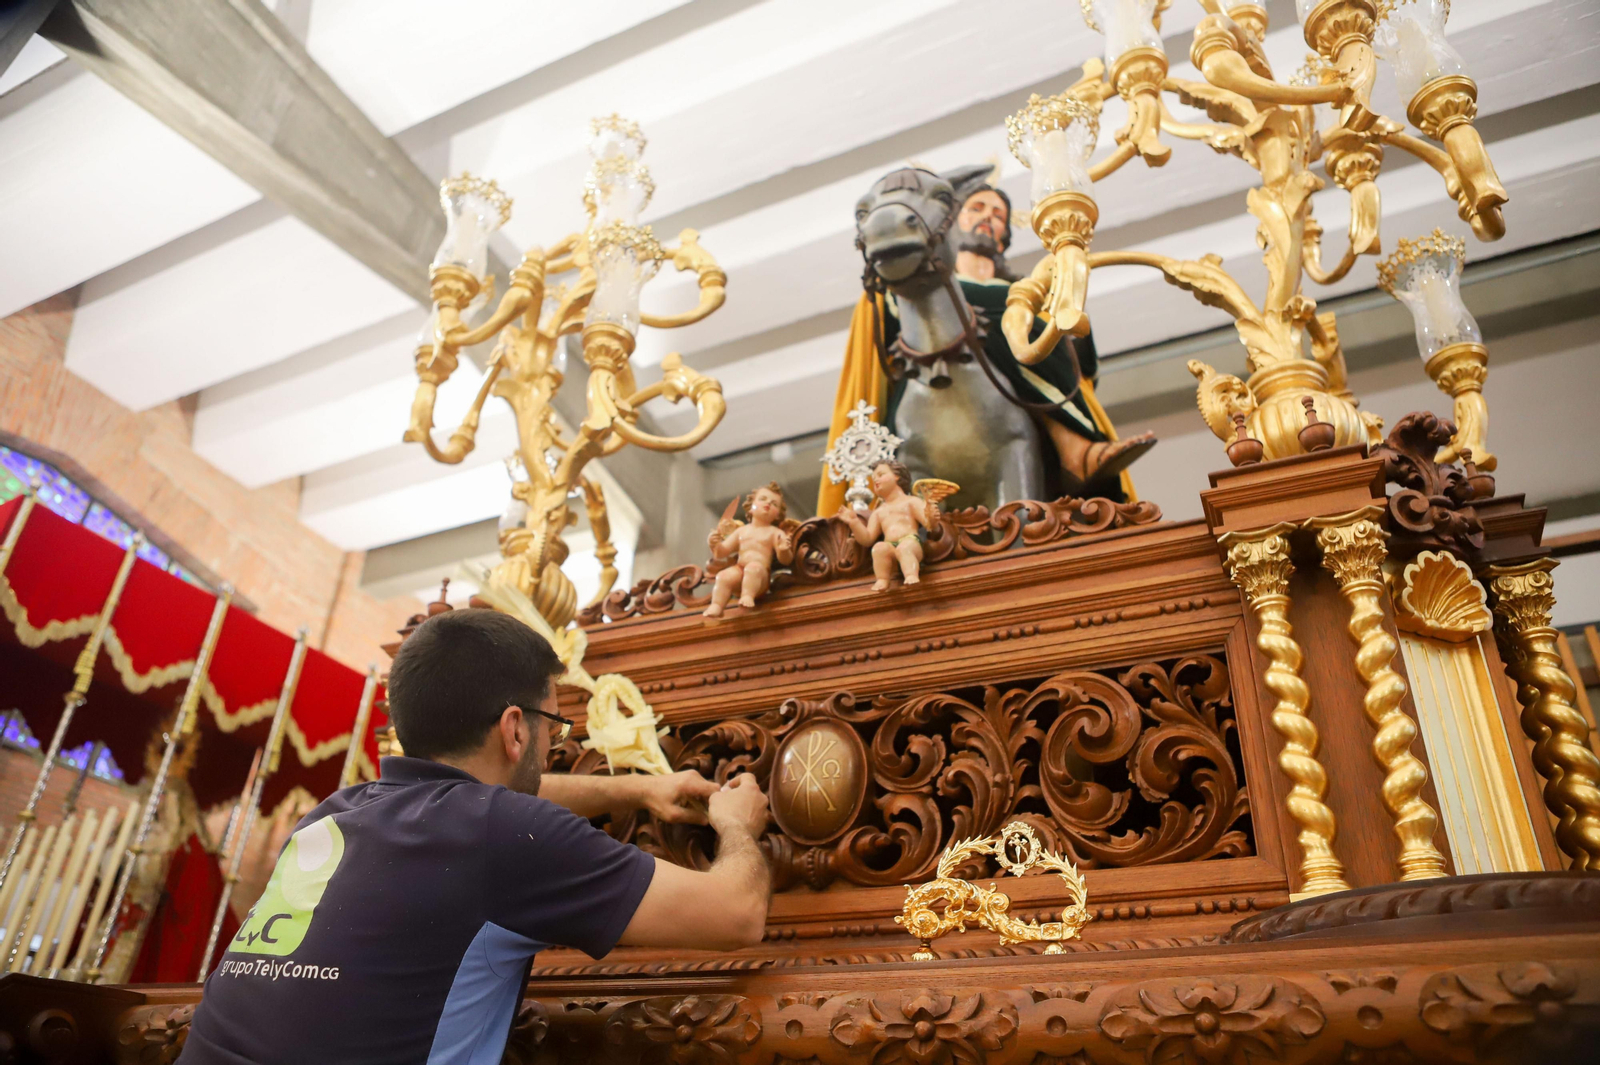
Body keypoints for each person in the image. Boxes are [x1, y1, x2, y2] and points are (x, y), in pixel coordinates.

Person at [179, 609, 771, 1064]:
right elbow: (736, 914)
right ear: (516, 727)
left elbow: (488, 806)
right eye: (554, 725)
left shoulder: (336, 812)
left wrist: (636, 791)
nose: (553, 744)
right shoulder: (502, 834)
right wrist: (737, 827)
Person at [882, 170, 1156, 500]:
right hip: (930, 370)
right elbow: (894, 317)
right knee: (1018, 325)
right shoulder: (928, 283)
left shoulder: (1027, 293)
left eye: (998, 215)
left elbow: (1082, 365)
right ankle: (1075, 447)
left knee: (1035, 329)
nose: (988, 217)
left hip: (1016, 373)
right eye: (977, 208)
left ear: (1004, 236)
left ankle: (1074, 449)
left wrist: (1069, 304)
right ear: (952, 225)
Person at [836, 461, 940, 591]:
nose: (876, 480)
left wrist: (932, 517)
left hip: (910, 540)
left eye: (881, 475)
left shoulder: (911, 501)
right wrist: (854, 522)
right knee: (879, 548)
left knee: (905, 548)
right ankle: (882, 579)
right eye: (874, 479)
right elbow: (867, 539)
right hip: (890, 545)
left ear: (897, 476)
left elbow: (928, 524)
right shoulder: (879, 511)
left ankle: (911, 575)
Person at [704, 482, 795, 618]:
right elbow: (721, 553)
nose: (768, 504)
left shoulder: (775, 533)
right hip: (740, 570)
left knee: (753, 568)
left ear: (778, 515)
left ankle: (748, 596)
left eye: (774, 504)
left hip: (760, 576)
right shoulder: (742, 531)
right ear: (751, 507)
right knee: (723, 577)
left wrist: (783, 550)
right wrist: (714, 544)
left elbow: (787, 560)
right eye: (763, 499)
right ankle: (717, 605)